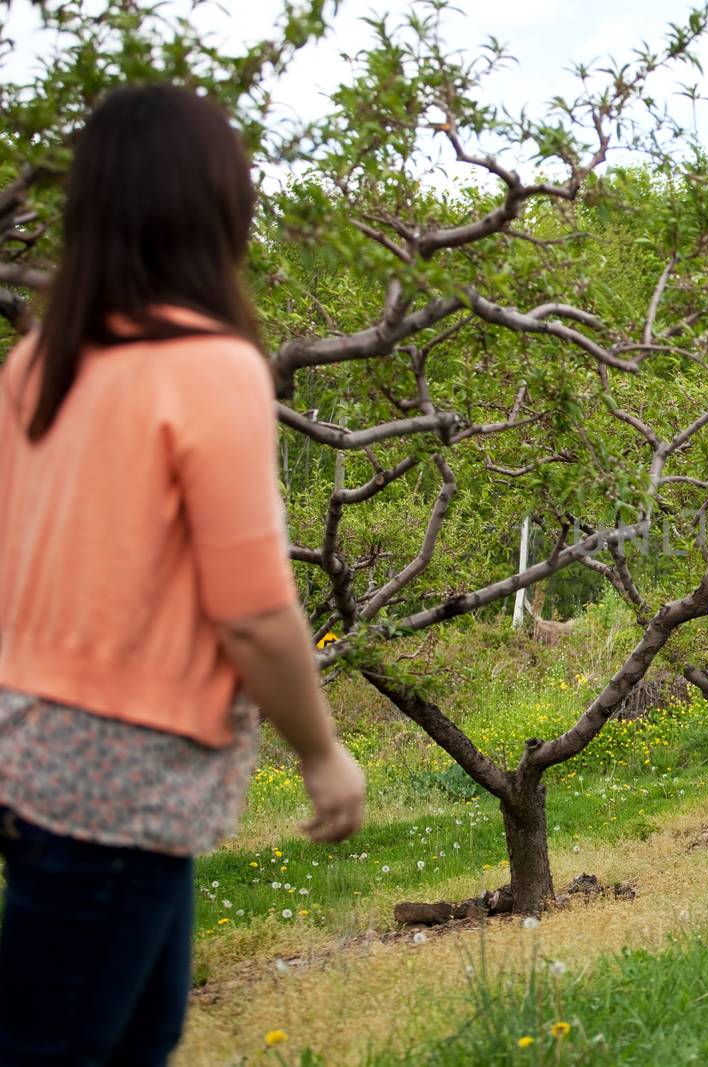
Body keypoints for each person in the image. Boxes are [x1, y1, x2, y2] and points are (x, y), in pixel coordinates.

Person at [0, 85, 365, 1064]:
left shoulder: (42, 358)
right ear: (216, 206)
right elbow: (250, 609)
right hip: (127, 773)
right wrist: (324, 752)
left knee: (138, 1031)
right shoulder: (211, 365)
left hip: (31, 746)